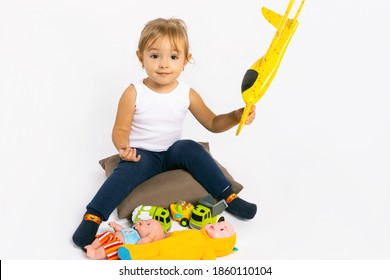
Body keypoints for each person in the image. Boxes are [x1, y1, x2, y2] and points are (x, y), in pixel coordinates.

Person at [72, 18, 257, 249]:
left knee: (190, 147)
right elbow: (120, 129)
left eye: (173, 57)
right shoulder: (134, 92)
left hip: (172, 152)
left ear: (185, 60)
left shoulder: (186, 93)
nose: (163, 64)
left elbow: (212, 122)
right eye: (154, 56)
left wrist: (235, 116)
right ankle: (93, 216)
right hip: (143, 155)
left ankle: (229, 197)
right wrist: (124, 148)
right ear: (141, 58)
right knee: (124, 172)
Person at [117, 221, 237, 260]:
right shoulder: (194, 232)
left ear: (223, 243)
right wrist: (168, 234)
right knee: (148, 248)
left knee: (157, 260)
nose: (216, 226)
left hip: (172, 257)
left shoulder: (208, 248)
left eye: (222, 229)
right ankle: (131, 252)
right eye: (218, 223)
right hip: (163, 243)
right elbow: (178, 233)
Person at [85, 219, 167, 260]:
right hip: (112, 236)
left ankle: (95, 254)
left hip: (117, 245)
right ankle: (93, 246)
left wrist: (149, 238)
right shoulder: (133, 230)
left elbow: (141, 244)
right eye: (146, 221)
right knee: (105, 235)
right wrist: (116, 226)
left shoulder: (139, 241)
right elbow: (123, 230)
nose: (143, 222)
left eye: (148, 224)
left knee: (107, 248)